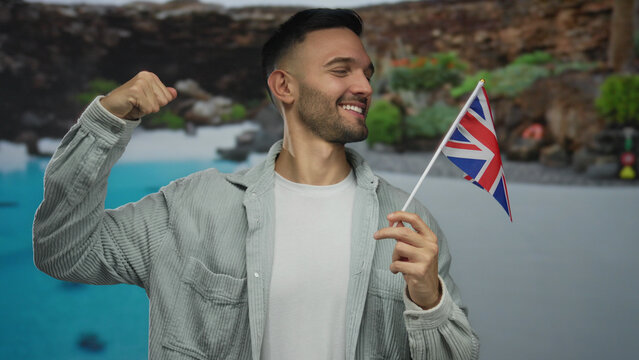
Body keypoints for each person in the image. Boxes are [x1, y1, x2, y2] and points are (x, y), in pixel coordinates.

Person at [33, 8, 478, 360]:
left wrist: (429, 301)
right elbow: (64, 251)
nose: (363, 85)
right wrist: (107, 121)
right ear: (284, 85)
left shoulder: (409, 223)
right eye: (341, 70)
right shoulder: (192, 205)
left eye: (367, 73)